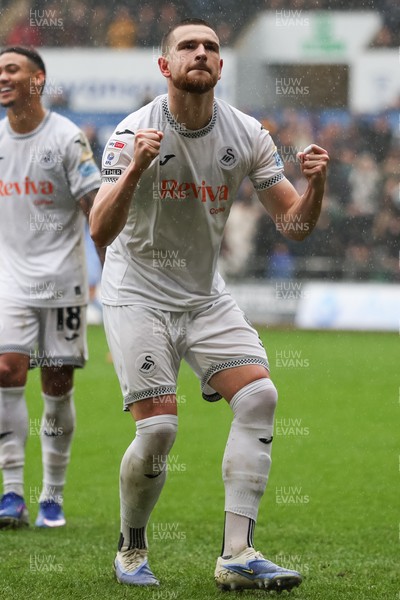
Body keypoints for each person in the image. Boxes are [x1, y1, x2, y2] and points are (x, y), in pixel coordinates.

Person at [90, 18, 329, 591]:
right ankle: (131, 547)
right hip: (137, 293)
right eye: (187, 46)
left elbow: (292, 225)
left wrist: (316, 186)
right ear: (165, 65)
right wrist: (138, 171)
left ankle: (237, 555)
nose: (201, 53)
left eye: (211, 48)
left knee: (260, 396)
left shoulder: (247, 133)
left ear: (221, 67)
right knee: (160, 432)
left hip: (204, 294)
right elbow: (100, 227)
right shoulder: (131, 133)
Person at [0, 47, 101, 528]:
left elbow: (95, 208)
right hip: (10, 280)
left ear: (37, 79)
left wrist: (117, 267)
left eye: (11, 69)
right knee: (6, 369)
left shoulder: (66, 138)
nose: (2, 77)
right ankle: (12, 492)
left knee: (56, 386)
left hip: (62, 281)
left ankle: (52, 498)